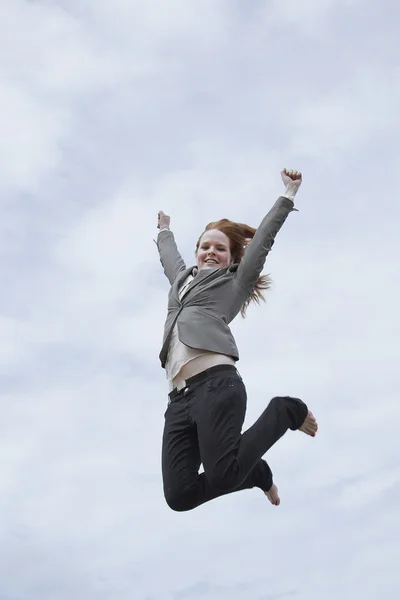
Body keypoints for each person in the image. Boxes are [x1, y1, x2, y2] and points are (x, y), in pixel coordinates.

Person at [155, 168, 318, 512]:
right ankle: (254, 471)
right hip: (178, 402)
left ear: (231, 257)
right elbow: (171, 260)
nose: (210, 252)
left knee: (224, 474)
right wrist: (165, 230)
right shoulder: (181, 282)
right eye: (205, 246)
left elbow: (261, 243)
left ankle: (286, 410)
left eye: (220, 248)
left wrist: (287, 196)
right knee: (179, 496)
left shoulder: (234, 284)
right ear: (197, 251)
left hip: (216, 386)